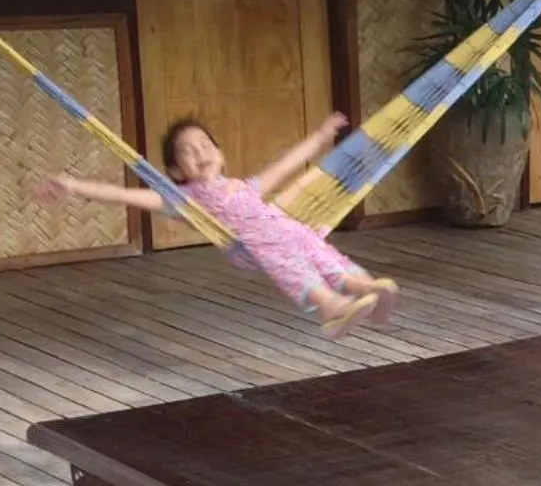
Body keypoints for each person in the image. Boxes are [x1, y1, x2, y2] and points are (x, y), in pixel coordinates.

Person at [36, 114, 398, 338]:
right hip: (248, 245)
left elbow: (288, 164)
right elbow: (121, 195)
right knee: (280, 243)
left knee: (309, 240)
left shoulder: (246, 187)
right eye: (187, 151)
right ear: (177, 173)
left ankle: (357, 286)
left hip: (283, 231)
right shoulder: (184, 199)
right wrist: (73, 185)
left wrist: (321, 136)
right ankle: (328, 306)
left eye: (205, 144)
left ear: (221, 154)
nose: (200, 152)